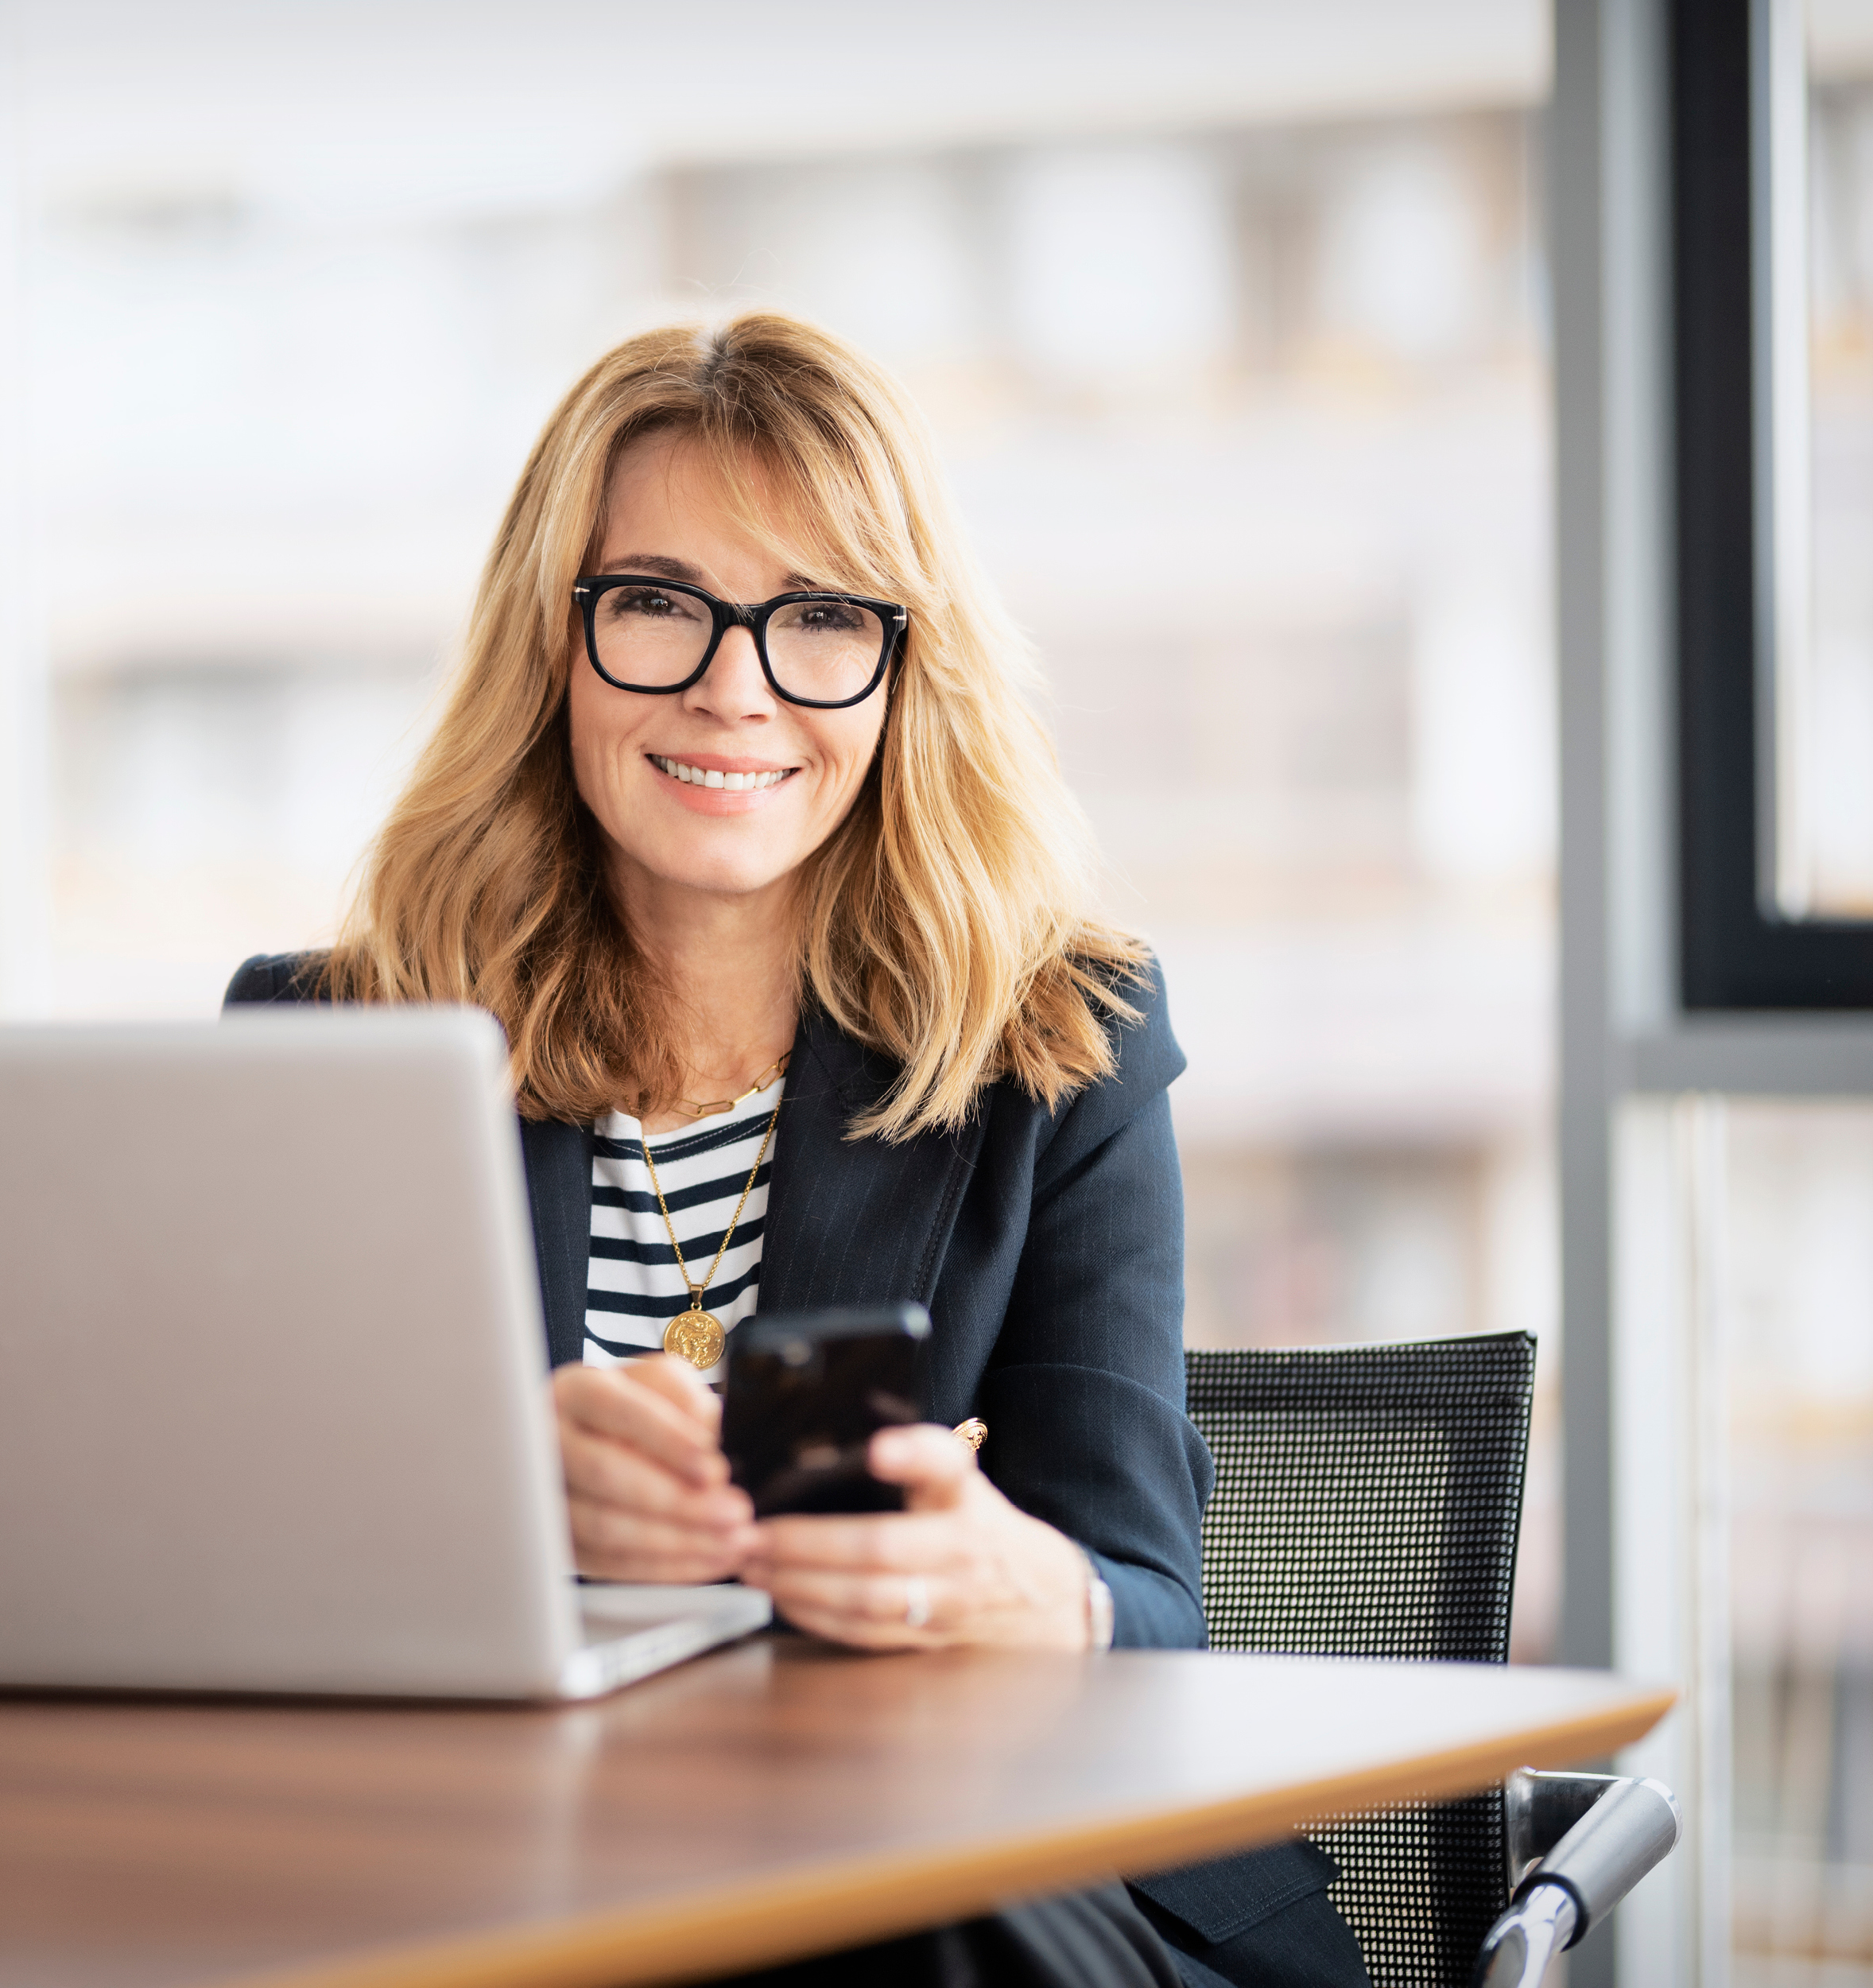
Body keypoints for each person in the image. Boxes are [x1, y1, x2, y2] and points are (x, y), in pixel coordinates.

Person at [225, 313, 1364, 1988]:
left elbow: (1145, 1607)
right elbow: (226, 1569)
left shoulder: (1059, 1044)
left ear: (904, 668)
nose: (732, 686)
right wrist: (488, 1500)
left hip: (965, 1873)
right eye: (656, 601)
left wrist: (1018, 1588)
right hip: (500, 1877)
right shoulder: (334, 1044)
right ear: (552, 640)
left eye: (821, 615)